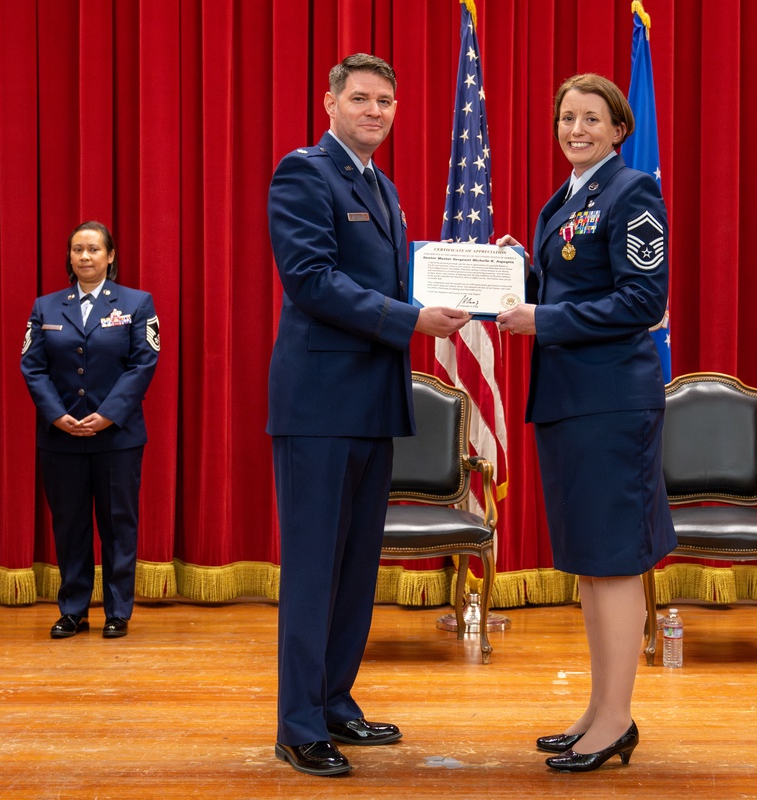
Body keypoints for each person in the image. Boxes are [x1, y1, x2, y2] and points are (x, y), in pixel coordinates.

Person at [266, 53, 470, 778]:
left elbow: (394, 277)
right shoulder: (304, 173)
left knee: (354, 568)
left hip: (370, 404)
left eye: (385, 100)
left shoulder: (380, 186)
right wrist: (415, 319)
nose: (374, 111)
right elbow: (313, 282)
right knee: (315, 566)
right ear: (329, 103)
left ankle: (334, 702)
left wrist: (475, 272)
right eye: (360, 98)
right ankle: (298, 725)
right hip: (318, 404)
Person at [496, 73, 677, 773]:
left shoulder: (634, 193)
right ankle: (600, 712)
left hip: (612, 401)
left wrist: (541, 316)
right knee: (591, 565)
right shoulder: (562, 200)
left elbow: (640, 299)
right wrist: (521, 274)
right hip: (570, 399)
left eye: (591, 118)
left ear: (618, 129)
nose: (576, 129)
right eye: (567, 117)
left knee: (614, 562)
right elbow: (571, 285)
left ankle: (618, 719)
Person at [20, 220, 160, 641]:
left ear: (110, 256)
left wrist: (109, 414)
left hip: (117, 437)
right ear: (69, 257)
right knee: (70, 524)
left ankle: (117, 611)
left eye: (94, 249)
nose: (85, 257)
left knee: (119, 524)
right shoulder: (45, 307)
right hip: (60, 437)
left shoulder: (137, 304)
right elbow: (33, 366)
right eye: (78, 249)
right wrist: (56, 414)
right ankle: (74, 609)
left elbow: (143, 364)